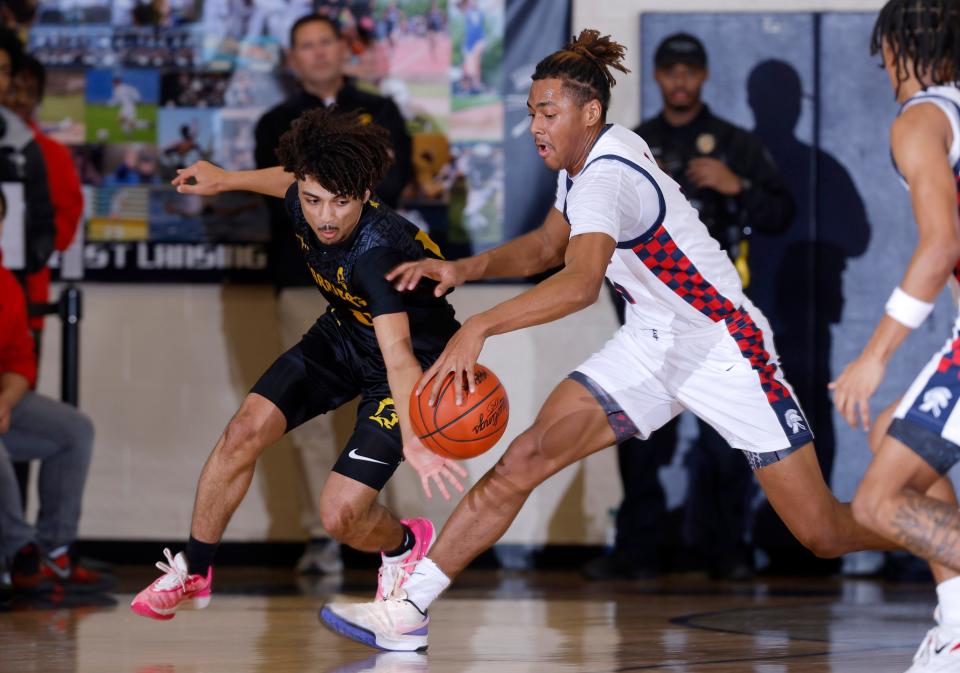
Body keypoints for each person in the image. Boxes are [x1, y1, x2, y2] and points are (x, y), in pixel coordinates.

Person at [319, 29, 898, 652]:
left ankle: (935, 533)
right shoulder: (583, 164)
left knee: (822, 532)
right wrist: (464, 269)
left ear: (588, 112)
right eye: (531, 112)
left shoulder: (608, 173)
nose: (536, 125)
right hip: (654, 340)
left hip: (721, 345)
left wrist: (482, 325)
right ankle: (408, 609)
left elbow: (577, 284)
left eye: (549, 112)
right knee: (524, 458)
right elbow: (547, 246)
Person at [130, 108, 466, 621]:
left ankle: (402, 544)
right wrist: (225, 180)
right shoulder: (305, 194)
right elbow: (288, 179)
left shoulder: (378, 254)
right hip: (345, 334)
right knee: (243, 431)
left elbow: (397, 356)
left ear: (365, 192)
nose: (325, 217)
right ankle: (195, 571)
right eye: (313, 200)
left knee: (340, 515)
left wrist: (418, 438)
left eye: (341, 202)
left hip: (413, 360)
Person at [586, 33, 796, 581]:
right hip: (648, 313)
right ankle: (638, 551)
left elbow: (781, 212)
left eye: (690, 71)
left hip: (715, 312)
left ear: (704, 77)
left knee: (726, 438)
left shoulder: (734, 143)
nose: (680, 80)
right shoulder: (636, 143)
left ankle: (726, 550)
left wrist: (737, 185)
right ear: (656, 76)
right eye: (670, 70)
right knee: (636, 433)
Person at [255, 12, 412, 576]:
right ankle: (321, 536)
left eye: (326, 43)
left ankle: (383, 532)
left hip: (377, 283)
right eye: (306, 47)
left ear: (342, 50)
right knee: (304, 417)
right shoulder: (275, 120)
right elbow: (285, 197)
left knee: (390, 400)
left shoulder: (384, 110)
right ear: (293, 58)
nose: (318, 54)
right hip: (305, 284)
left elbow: (394, 187)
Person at [831, 2, 960, 670]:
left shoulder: (921, 117)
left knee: (878, 499)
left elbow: (941, 247)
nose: (881, 64)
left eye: (883, 49)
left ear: (901, 45)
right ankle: (958, 622)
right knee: (894, 434)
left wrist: (873, 354)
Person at [0, 187, 105, 594]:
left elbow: (19, 359)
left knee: (73, 430)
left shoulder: (6, 284)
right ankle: (20, 553)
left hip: (4, 404)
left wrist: (7, 399)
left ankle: (55, 552)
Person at [7, 54, 83, 350]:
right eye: (14, 88)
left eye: (30, 91)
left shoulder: (53, 154)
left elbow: (65, 223)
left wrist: (31, 245)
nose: (21, 99)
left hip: (26, 297)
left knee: (20, 390)